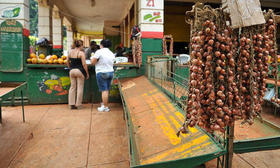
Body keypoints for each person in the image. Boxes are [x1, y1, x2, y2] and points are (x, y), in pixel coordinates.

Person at [91, 39, 115, 112]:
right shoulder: (111, 53)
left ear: (101, 45)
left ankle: (105, 107)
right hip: (110, 72)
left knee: (104, 90)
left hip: (102, 72)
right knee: (106, 90)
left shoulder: (99, 51)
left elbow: (93, 62)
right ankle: (105, 104)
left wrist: (92, 58)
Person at [67, 40, 89, 109]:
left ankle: (71, 104)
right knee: (80, 87)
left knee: (72, 87)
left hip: (72, 71)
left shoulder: (70, 52)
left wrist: (70, 67)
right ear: (81, 45)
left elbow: (67, 61)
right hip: (79, 71)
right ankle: (78, 104)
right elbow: (84, 64)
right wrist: (87, 73)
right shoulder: (81, 53)